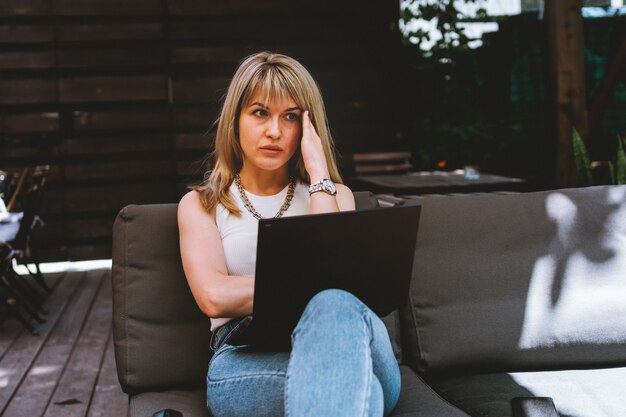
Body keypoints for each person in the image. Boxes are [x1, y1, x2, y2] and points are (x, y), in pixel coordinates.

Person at [178, 52, 401, 417]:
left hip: (351, 342)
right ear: (235, 120)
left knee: (333, 303)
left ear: (308, 127)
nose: (275, 131)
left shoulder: (335, 196)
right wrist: (310, 284)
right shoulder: (202, 204)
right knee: (361, 390)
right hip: (245, 354)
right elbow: (214, 297)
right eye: (260, 112)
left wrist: (318, 173)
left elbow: (337, 288)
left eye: (291, 117)